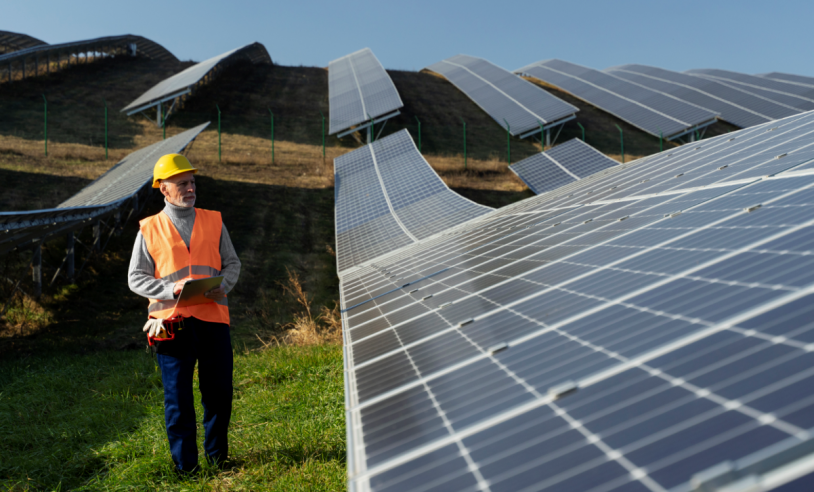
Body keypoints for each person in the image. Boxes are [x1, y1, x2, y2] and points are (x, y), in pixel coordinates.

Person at [127, 153, 241, 473]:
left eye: (192, 182)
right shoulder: (149, 229)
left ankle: (218, 460)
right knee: (178, 400)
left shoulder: (214, 220)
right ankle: (186, 468)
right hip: (170, 325)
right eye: (182, 183)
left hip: (213, 320)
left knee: (218, 393)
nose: (190, 188)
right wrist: (171, 290)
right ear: (163, 189)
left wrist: (225, 285)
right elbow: (136, 278)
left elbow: (232, 263)